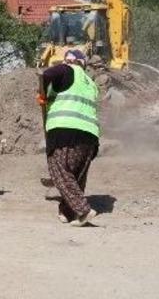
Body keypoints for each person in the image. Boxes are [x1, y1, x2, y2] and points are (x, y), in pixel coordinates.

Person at [39, 49, 100, 226]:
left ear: (69, 61)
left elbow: (48, 73)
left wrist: (43, 93)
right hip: (89, 136)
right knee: (76, 176)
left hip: (65, 131)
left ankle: (83, 210)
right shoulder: (90, 83)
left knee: (59, 171)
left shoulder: (67, 70)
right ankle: (68, 213)